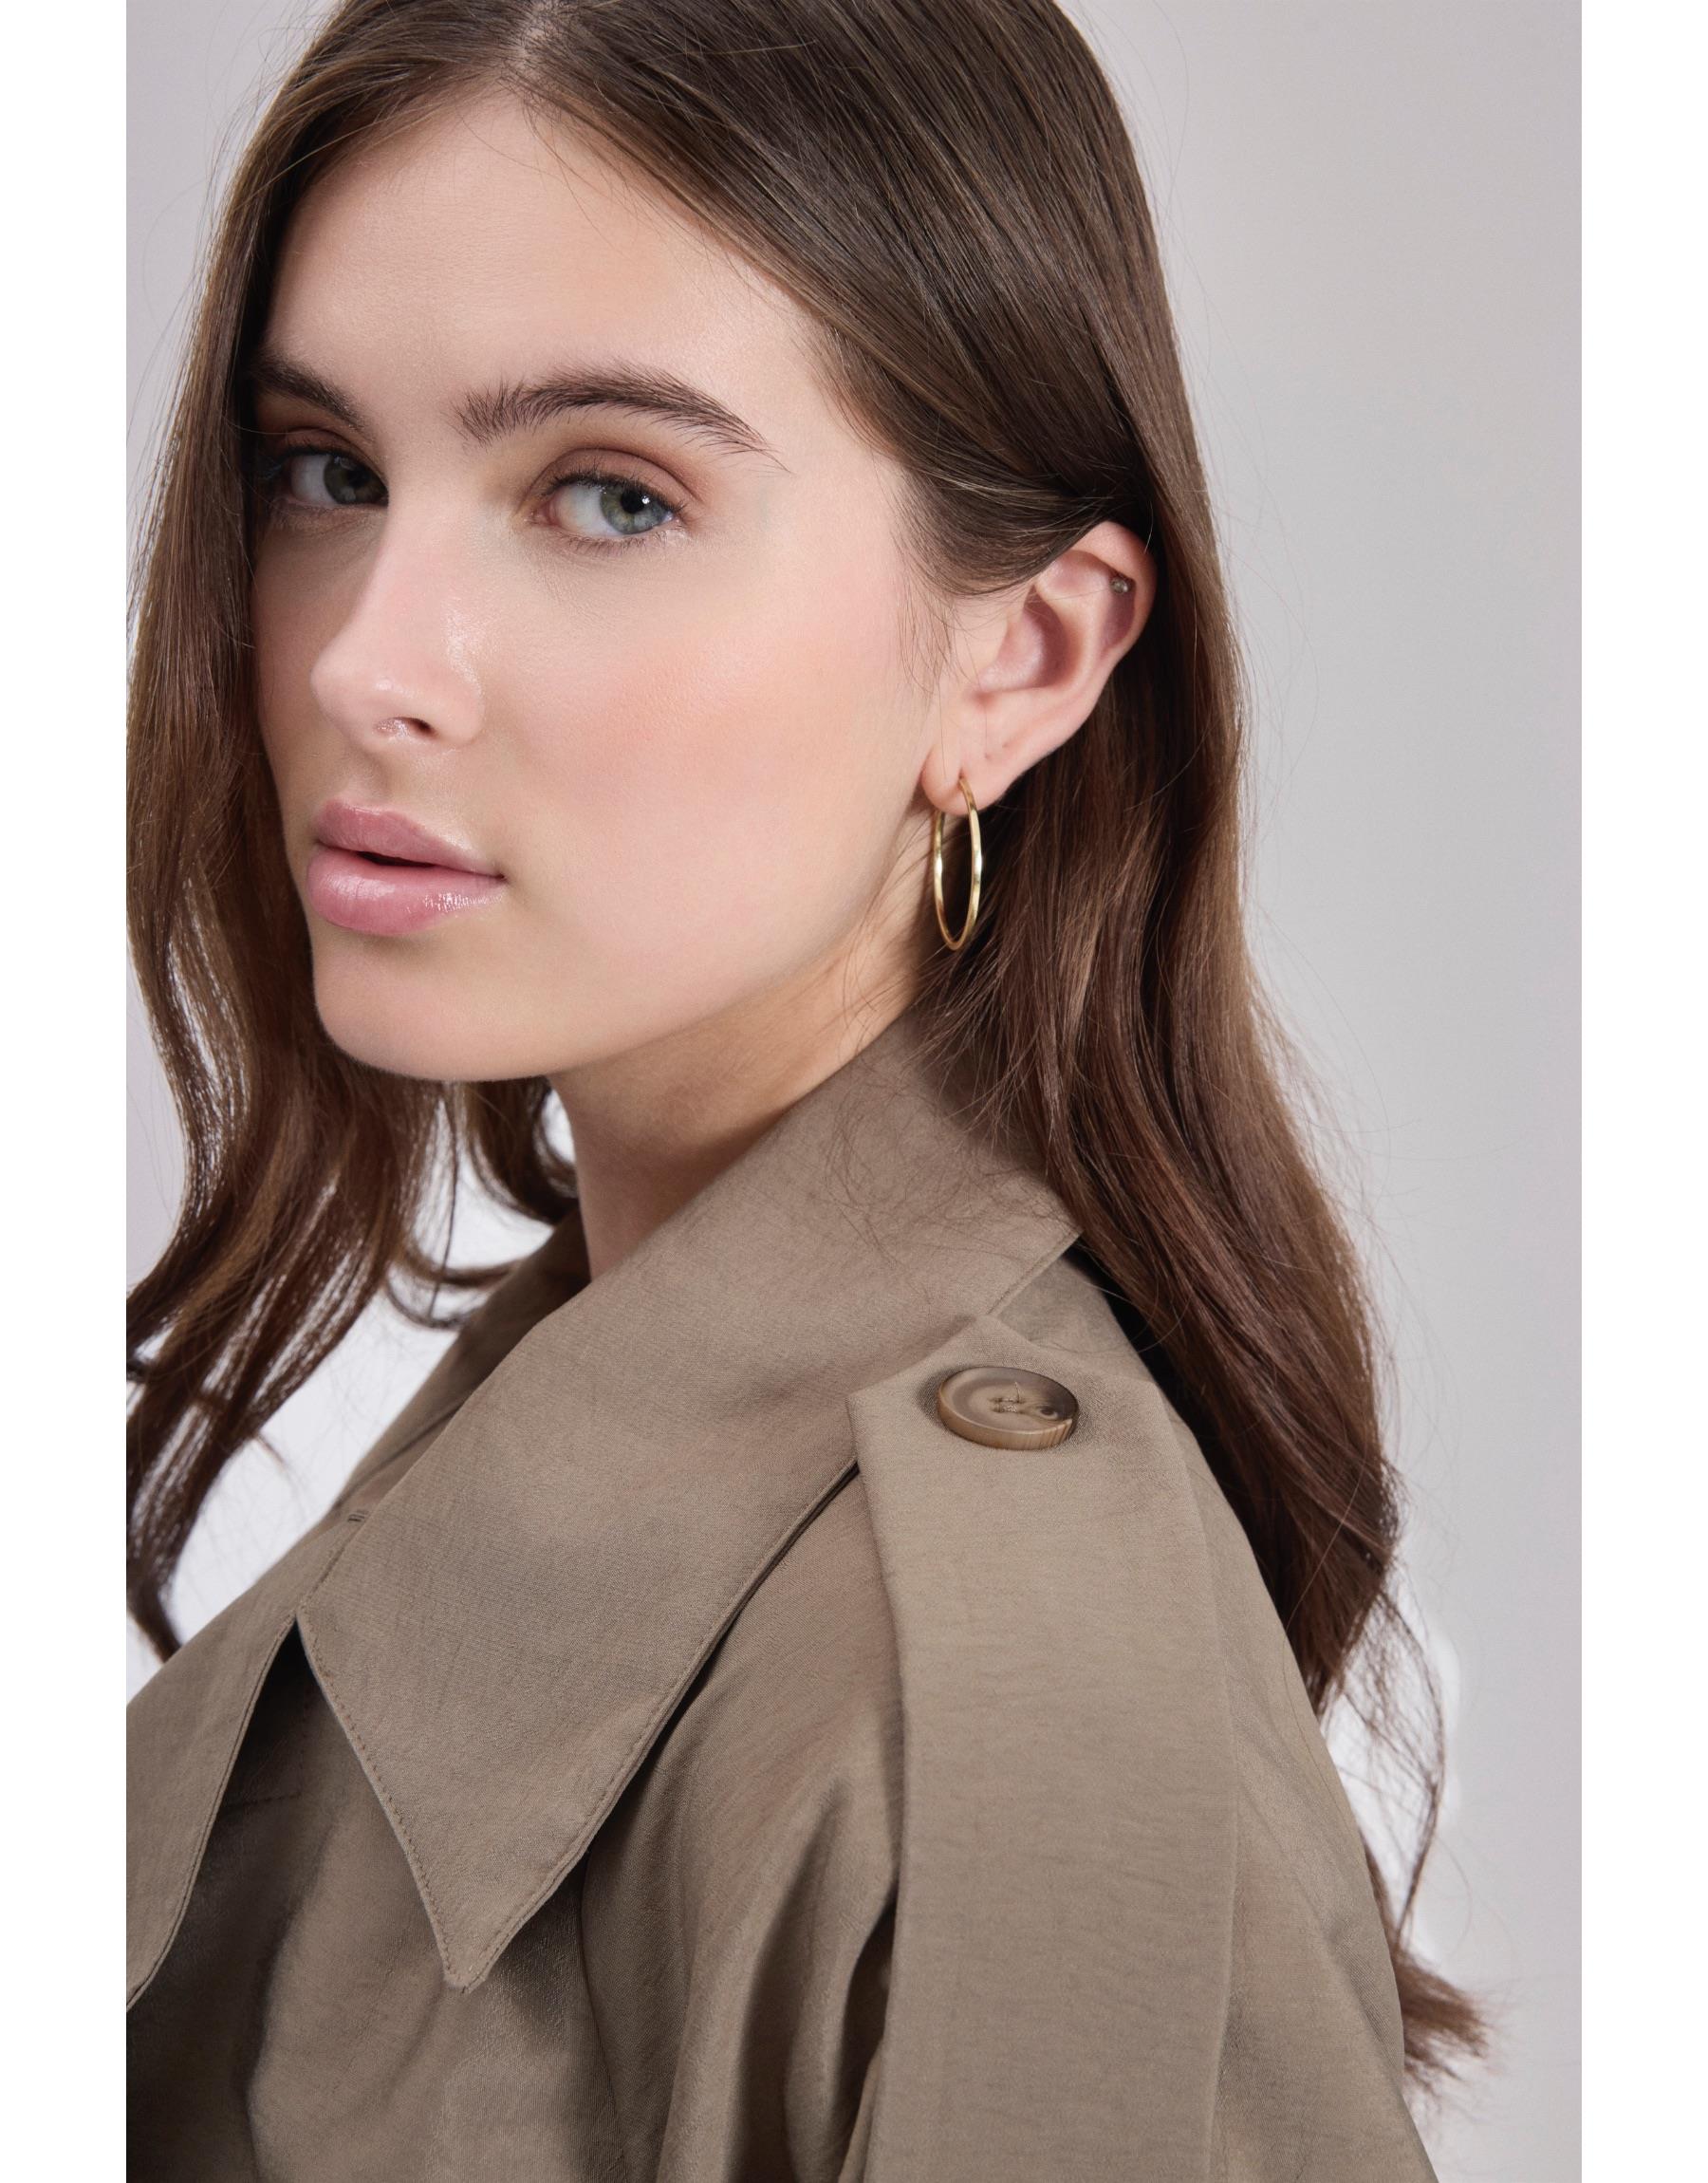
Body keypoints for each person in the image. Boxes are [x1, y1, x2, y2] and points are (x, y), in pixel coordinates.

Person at [126, 2, 1487, 2174]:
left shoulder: (987, 1717)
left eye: (609, 494)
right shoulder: (591, 1418)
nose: (366, 658)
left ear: (1021, 656)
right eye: (328, 470)